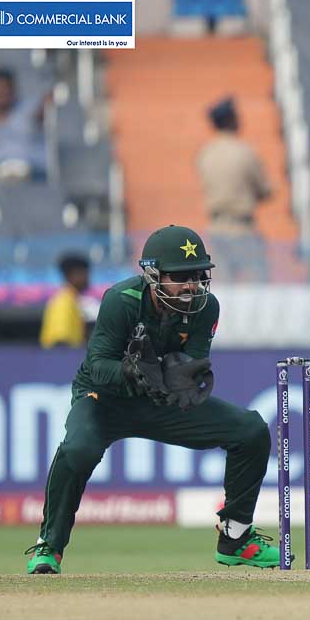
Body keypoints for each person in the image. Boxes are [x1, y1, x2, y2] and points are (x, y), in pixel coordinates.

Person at [25, 225, 280, 574]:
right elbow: (97, 366)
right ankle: (49, 546)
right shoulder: (121, 300)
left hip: (159, 400)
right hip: (104, 399)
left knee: (250, 430)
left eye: (198, 276)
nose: (191, 286)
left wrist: (184, 382)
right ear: (153, 275)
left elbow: (192, 363)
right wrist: (131, 372)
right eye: (181, 277)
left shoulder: (206, 307)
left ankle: (236, 540)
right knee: (78, 450)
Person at [196, 97, 272, 282]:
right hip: (242, 228)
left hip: (216, 228)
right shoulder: (245, 152)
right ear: (231, 120)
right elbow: (264, 190)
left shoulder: (205, 154)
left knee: (223, 287)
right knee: (257, 286)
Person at [0, 68, 49, 182]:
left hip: (34, 171)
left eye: (5, 88)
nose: (2, 93)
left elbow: (48, 103)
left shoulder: (29, 108)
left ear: (14, 89)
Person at [39, 253, 91, 349]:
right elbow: (60, 343)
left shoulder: (71, 299)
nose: (88, 278)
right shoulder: (63, 302)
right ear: (71, 275)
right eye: (84, 273)